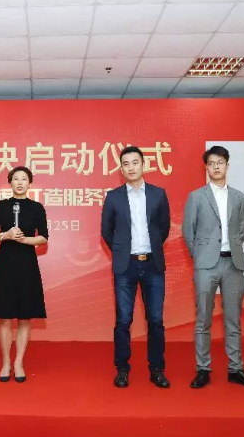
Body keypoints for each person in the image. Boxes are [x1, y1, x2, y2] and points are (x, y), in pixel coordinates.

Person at [182, 146, 244, 389]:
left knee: (233, 319)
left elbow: (241, 230)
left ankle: (235, 369)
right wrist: (200, 256)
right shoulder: (196, 197)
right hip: (206, 266)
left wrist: (231, 250)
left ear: (227, 165)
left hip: (233, 264)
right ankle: (203, 369)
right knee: (203, 319)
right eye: (211, 163)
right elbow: (188, 231)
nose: (216, 167)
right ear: (206, 168)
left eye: (220, 162)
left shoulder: (239, 197)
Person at [101, 146, 171, 389]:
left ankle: (157, 369)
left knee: (156, 320)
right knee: (123, 320)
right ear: (121, 169)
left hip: (153, 265)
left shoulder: (158, 194)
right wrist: (121, 250)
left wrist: (151, 248)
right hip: (126, 267)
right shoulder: (113, 197)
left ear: (143, 165)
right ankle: (122, 369)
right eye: (126, 164)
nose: (131, 167)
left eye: (135, 162)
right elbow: (106, 230)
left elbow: (163, 228)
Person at [0, 166, 48, 383]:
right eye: (16, 179)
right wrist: (6, 235)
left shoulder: (37, 208)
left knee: (24, 316)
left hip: (27, 264)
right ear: (10, 182)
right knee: (4, 317)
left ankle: (19, 362)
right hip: (5, 263)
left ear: (30, 184)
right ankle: (5, 362)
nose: (20, 182)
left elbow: (44, 238)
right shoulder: (0, 206)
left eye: (24, 179)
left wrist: (25, 240)